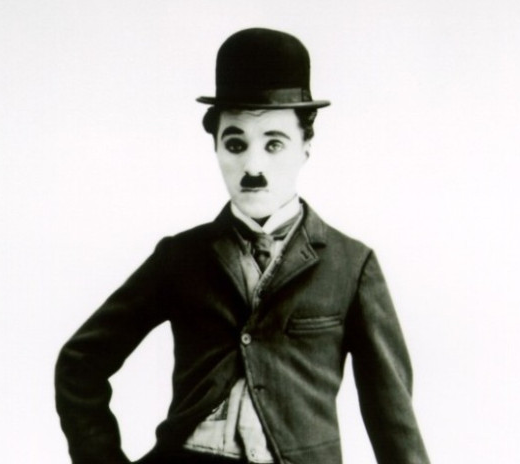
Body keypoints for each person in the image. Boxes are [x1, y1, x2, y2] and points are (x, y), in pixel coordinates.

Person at [55, 27, 430, 464]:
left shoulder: (351, 265)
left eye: (274, 144)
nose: (253, 166)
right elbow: (80, 363)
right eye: (235, 144)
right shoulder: (180, 257)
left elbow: (392, 417)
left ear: (306, 145)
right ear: (215, 146)